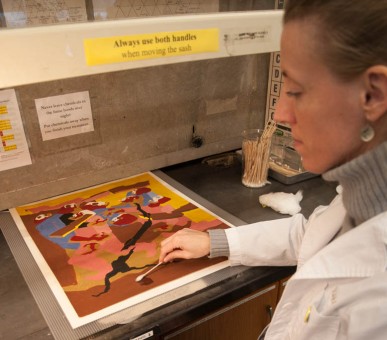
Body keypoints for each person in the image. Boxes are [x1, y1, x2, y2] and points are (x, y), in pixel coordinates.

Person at [159, 0, 387, 339]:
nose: (280, 114)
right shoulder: (361, 200)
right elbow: (312, 236)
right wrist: (216, 241)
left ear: (372, 94)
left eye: (295, 91)